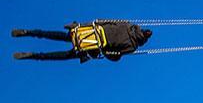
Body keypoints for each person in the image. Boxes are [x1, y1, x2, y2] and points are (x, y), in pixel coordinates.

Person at [12, 21, 151, 62]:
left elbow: (104, 21)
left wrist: (81, 25)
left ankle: (27, 32)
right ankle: (34, 56)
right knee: (66, 55)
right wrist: (102, 53)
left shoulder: (127, 24)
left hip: (89, 32)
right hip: (94, 46)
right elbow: (116, 54)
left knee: (55, 35)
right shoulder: (133, 46)